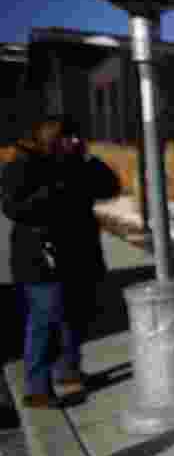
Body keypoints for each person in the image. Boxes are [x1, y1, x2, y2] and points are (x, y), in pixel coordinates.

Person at [1, 116, 120, 408]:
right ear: (51, 138)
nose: (76, 141)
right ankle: (37, 388)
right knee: (46, 319)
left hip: (77, 254)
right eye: (69, 136)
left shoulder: (75, 162)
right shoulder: (23, 164)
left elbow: (110, 187)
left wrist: (89, 161)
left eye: (77, 137)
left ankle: (69, 371)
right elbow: (14, 207)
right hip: (40, 256)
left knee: (75, 314)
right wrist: (57, 189)